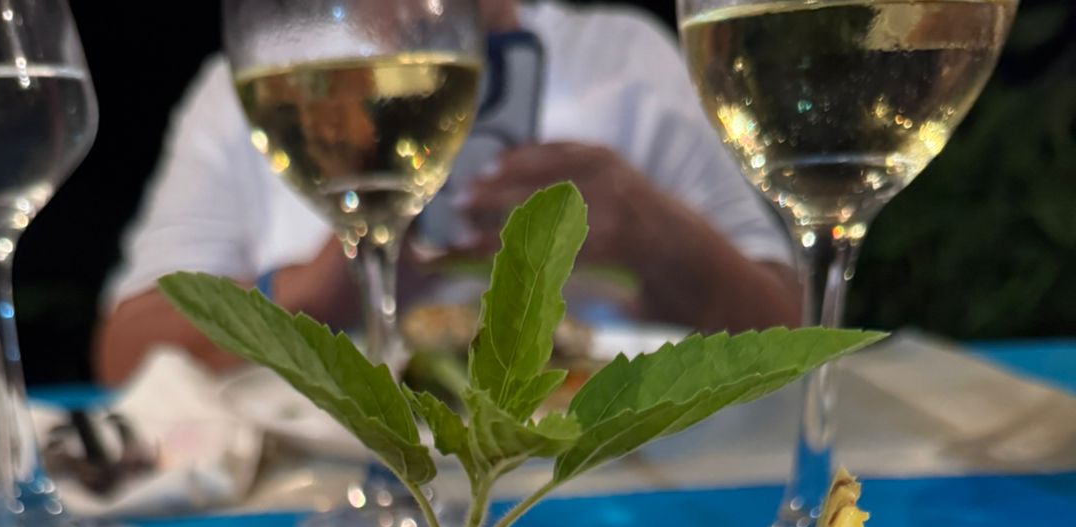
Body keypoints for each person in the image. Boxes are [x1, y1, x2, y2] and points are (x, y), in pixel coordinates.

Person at [96, 0, 799, 385]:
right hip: (322, 485)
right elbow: (126, 352)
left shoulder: (625, 57)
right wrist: (321, 290)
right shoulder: (260, 85)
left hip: (610, 475)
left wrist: (660, 238)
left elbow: (790, 331)